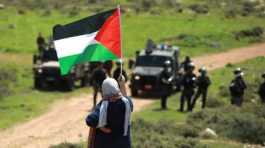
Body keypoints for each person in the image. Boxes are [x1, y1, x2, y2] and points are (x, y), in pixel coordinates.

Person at [85, 77, 133, 148]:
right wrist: (122, 84)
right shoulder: (127, 104)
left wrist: (101, 127)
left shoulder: (103, 107)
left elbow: (90, 120)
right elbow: (125, 97)